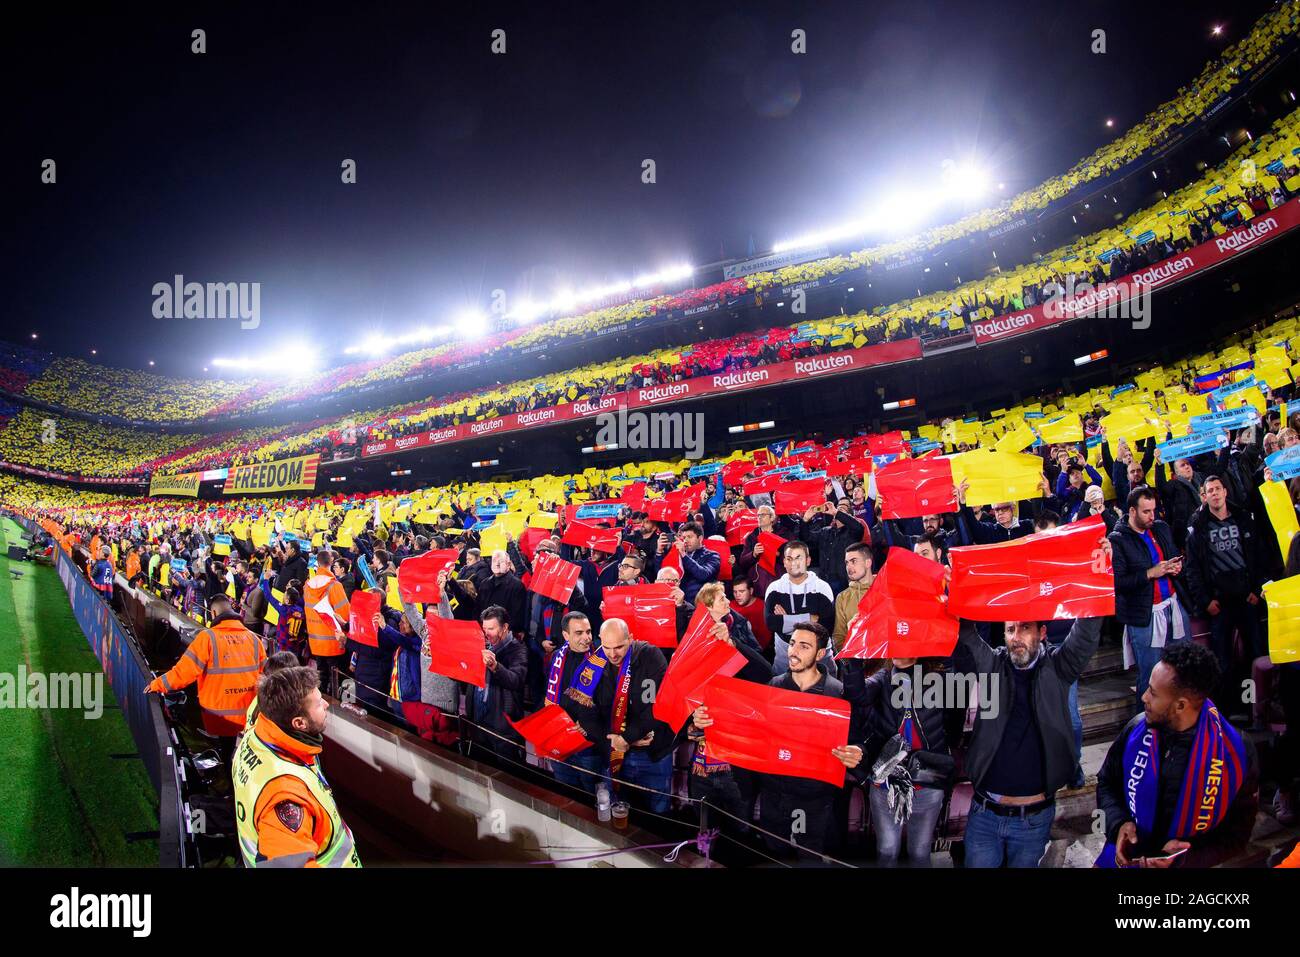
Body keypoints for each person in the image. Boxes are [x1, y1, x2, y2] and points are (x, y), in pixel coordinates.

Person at [955, 615, 1103, 868]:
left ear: (1042, 633)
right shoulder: (993, 664)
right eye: (1010, 629)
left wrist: (1093, 581)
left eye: (1025, 628)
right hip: (985, 816)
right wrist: (956, 592)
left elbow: (1085, 633)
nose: (1016, 637)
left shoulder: (1059, 667)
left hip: (1033, 822)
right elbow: (966, 635)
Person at [1096, 643, 1258, 868]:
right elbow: (1106, 783)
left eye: (1153, 693)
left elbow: (1236, 838)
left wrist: (1187, 859)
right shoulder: (1135, 730)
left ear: (1180, 705)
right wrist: (1118, 823)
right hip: (1124, 859)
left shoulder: (1237, 752)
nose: (1144, 697)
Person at [233, 665, 360, 867]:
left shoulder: (256, 736)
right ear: (299, 723)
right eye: (318, 704)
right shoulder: (285, 798)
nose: (326, 705)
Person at [756, 622, 863, 856]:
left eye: (804, 646)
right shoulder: (774, 687)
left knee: (809, 854)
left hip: (815, 799)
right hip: (775, 795)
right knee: (774, 853)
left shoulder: (837, 693)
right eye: (792, 644)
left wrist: (856, 752)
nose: (793, 651)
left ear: (820, 653)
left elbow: (855, 740)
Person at [688, 582, 772, 834]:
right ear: (707, 608)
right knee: (702, 833)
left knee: (739, 835)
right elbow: (681, 701)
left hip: (737, 766)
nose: (728, 600)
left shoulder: (738, 628)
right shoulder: (691, 646)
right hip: (703, 764)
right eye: (722, 597)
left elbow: (764, 672)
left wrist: (733, 643)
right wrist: (692, 722)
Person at [860, 655, 959, 866]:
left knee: (920, 851)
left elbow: (954, 724)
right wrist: (851, 665)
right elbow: (858, 696)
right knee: (887, 851)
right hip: (886, 783)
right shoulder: (883, 677)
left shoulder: (940, 680)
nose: (899, 650)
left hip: (927, 783)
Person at [1183, 474, 1268, 710]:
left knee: (1255, 655)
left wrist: (1256, 589)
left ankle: (1253, 707)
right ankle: (1226, 710)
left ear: (1225, 491)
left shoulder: (1242, 517)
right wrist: (1205, 600)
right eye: (1210, 490)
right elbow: (1193, 569)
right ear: (1205, 495)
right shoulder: (1197, 525)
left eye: (1218, 489)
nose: (1215, 493)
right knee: (1222, 661)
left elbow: (1259, 556)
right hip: (1218, 604)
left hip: (1247, 599)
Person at [145, 593, 267, 741]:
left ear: (213, 613)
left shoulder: (207, 638)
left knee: (225, 753)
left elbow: (183, 673)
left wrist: (157, 684)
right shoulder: (254, 639)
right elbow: (264, 678)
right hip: (248, 718)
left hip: (219, 718)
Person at [1109, 487, 1190, 705]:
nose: (1152, 516)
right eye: (1146, 512)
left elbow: (1173, 555)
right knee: (1150, 677)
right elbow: (1118, 582)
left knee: (1184, 669)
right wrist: (1150, 573)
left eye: (1154, 510)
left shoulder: (1161, 528)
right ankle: (1144, 729)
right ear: (1132, 511)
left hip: (1173, 606)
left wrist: (1176, 566)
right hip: (1144, 615)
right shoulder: (1118, 540)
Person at [597, 617, 674, 813]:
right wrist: (620, 741)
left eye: (619, 647)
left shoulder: (650, 656)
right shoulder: (595, 662)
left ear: (630, 638)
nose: (613, 654)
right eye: (607, 647)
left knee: (659, 812)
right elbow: (596, 710)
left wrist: (628, 737)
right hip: (616, 752)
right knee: (619, 810)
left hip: (652, 755)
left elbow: (656, 706)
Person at [543, 611, 613, 795]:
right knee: (567, 796)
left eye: (588, 632)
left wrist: (588, 726)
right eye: (579, 633)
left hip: (589, 747)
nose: (586, 638)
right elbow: (550, 696)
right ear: (566, 635)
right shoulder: (557, 657)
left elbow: (609, 703)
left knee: (592, 800)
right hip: (561, 741)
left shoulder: (602, 660)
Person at [464, 605, 528, 764]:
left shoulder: (518, 650)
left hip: (503, 731)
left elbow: (515, 680)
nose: (486, 634)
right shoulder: (479, 646)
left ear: (505, 627)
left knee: (508, 780)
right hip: (478, 724)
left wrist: (495, 666)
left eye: (491, 628)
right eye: (484, 628)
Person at [765, 540, 836, 675]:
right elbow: (771, 623)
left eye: (799, 558)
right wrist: (809, 618)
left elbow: (826, 628)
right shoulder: (774, 588)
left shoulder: (822, 587)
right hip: (784, 660)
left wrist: (787, 621)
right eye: (789, 558)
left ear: (808, 561)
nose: (793, 563)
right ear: (784, 562)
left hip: (819, 661)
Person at [302, 559, 351, 694]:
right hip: (334, 643)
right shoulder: (335, 586)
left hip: (316, 643)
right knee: (338, 682)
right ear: (330, 564)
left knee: (321, 678)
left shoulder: (307, 585)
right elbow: (345, 615)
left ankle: (320, 703)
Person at [729, 577, 771, 650]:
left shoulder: (763, 607)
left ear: (751, 591)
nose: (737, 595)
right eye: (735, 592)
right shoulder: (729, 606)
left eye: (741, 591)